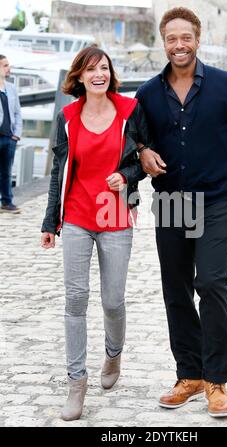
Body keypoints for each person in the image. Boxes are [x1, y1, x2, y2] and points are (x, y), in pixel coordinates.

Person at [136, 7, 227, 418]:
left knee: (211, 283)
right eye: (171, 39)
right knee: (176, 288)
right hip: (173, 202)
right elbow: (135, 141)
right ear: (164, 42)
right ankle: (190, 375)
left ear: (198, 38)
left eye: (186, 37)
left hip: (215, 201)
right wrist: (143, 153)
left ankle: (216, 381)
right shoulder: (146, 93)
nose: (179, 45)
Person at [41, 46, 152, 421]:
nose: (98, 74)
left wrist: (127, 176)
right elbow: (59, 171)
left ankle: (113, 353)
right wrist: (49, 223)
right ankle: (77, 383)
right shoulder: (68, 116)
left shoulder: (129, 111)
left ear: (110, 74)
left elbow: (144, 160)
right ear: (81, 76)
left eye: (104, 68)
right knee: (75, 298)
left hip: (117, 217)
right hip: (76, 217)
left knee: (112, 301)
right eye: (91, 69)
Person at [0, 55, 22, 214]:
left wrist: (16, 135)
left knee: (6, 172)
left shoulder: (12, 88)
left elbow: (18, 113)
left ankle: (7, 202)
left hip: (9, 138)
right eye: (5, 65)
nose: (9, 68)